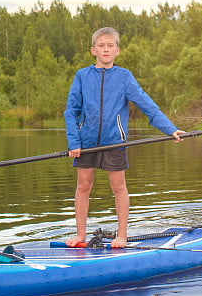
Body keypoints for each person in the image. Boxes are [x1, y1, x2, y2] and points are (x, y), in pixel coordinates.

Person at [64, 27, 185, 248]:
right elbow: (71, 110)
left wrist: (170, 129)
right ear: (93, 50)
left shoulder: (124, 77)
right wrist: (74, 142)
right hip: (85, 142)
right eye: (101, 46)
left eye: (110, 46)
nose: (106, 49)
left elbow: (147, 104)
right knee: (83, 185)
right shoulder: (82, 76)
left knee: (119, 186)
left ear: (117, 51)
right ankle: (80, 235)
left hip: (114, 141)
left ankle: (122, 235)